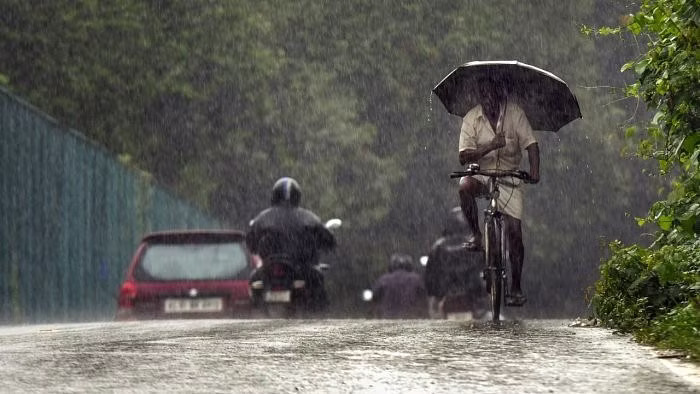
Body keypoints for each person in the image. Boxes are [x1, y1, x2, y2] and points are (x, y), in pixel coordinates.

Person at [457, 78, 540, 306]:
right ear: (480, 98)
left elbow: (532, 145)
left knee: (514, 231)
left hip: (509, 176)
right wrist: (490, 146)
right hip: (482, 174)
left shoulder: (515, 114)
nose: (490, 101)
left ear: (501, 95)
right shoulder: (471, 118)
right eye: (485, 97)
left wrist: (534, 171)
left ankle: (515, 286)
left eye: (494, 96)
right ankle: (476, 234)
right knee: (464, 186)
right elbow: (464, 156)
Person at [246, 177, 336, 310]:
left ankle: (255, 307)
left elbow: (251, 242)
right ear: (297, 196)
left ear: (274, 196)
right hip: (301, 267)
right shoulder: (308, 217)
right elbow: (328, 240)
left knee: (254, 280)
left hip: (271, 268)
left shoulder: (262, 218)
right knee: (318, 280)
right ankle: (319, 314)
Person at [424, 207, 486, 318]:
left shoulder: (438, 246)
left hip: (446, 295)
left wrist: (434, 293)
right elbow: (485, 268)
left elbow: (430, 276)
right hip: (472, 296)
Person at [371, 253, 428, 319]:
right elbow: (424, 300)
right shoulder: (416, 279)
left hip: (388, 317)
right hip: (410, 318)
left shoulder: (383, 279)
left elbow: (375, 299)